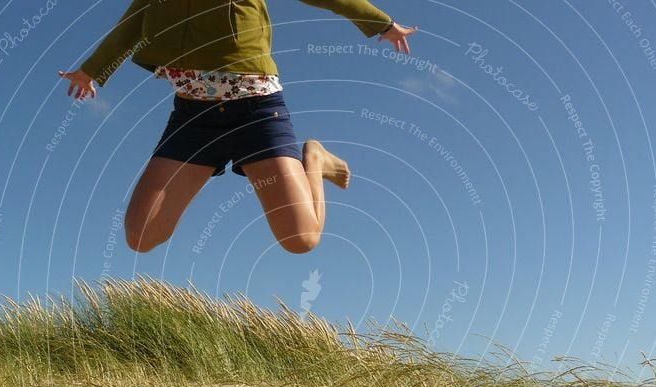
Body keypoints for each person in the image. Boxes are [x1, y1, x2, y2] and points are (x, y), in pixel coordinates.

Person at [58, 0, 417, 254]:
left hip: (257, 113)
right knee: (142, 235)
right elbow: (134, 22)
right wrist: (92, 71)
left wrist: (380, 23)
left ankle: (315, 160)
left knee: (301, 239)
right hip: (193, 119)